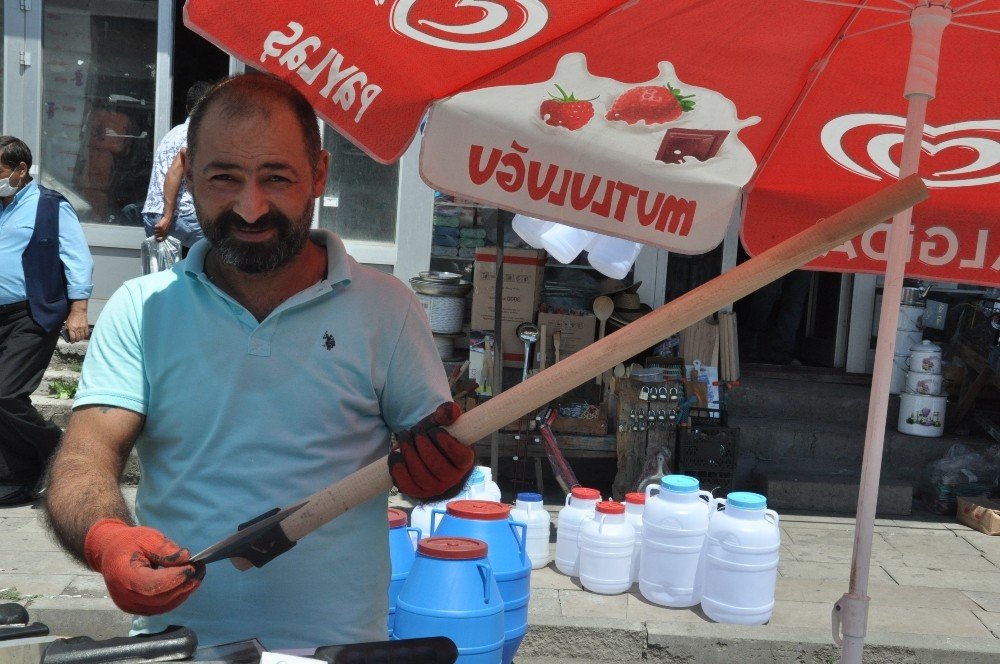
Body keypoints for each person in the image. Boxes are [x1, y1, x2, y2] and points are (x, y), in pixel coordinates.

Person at [44, 74, 475, 650]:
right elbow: (82, 461)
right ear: (188, 176)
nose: (251, 207)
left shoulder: (387, 310)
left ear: (319, 173)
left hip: (338, 651)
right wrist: (106, 539)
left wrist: (441, 477)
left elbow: (435, 454)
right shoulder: (140, 309)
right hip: (176, 647)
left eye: (277, 176)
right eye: (224, 178)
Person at [0, 136, 93, 507]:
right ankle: (18, 476)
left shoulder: (51, 207)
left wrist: (79, 310)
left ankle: (58, 449)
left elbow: (77, 258)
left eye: (1, 171)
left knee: (5, 392)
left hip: (32, 313)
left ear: (21, 170)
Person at [141, 81, 213, 251]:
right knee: (228, 243)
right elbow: (174, 172)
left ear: (188, 108)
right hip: (180, 216)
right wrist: (167, 216)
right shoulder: (196, 134)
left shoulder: (172, 133)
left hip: (151, 215)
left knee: (165, 274)